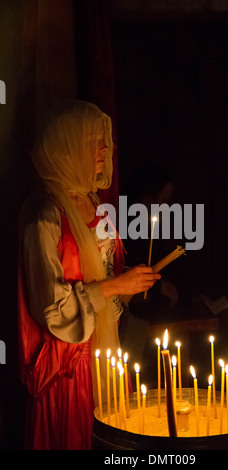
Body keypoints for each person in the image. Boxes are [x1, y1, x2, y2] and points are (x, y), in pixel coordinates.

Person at [17, 100, 161, 450]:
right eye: (92, 140)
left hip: (106, 360)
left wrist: (129, 287)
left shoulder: (96, 205)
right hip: (69, 372)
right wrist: (114, 286)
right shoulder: (45, 217)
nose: (104, 148)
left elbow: (110, 281)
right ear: (66, 147)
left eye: (105, 140)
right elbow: (51, 309)